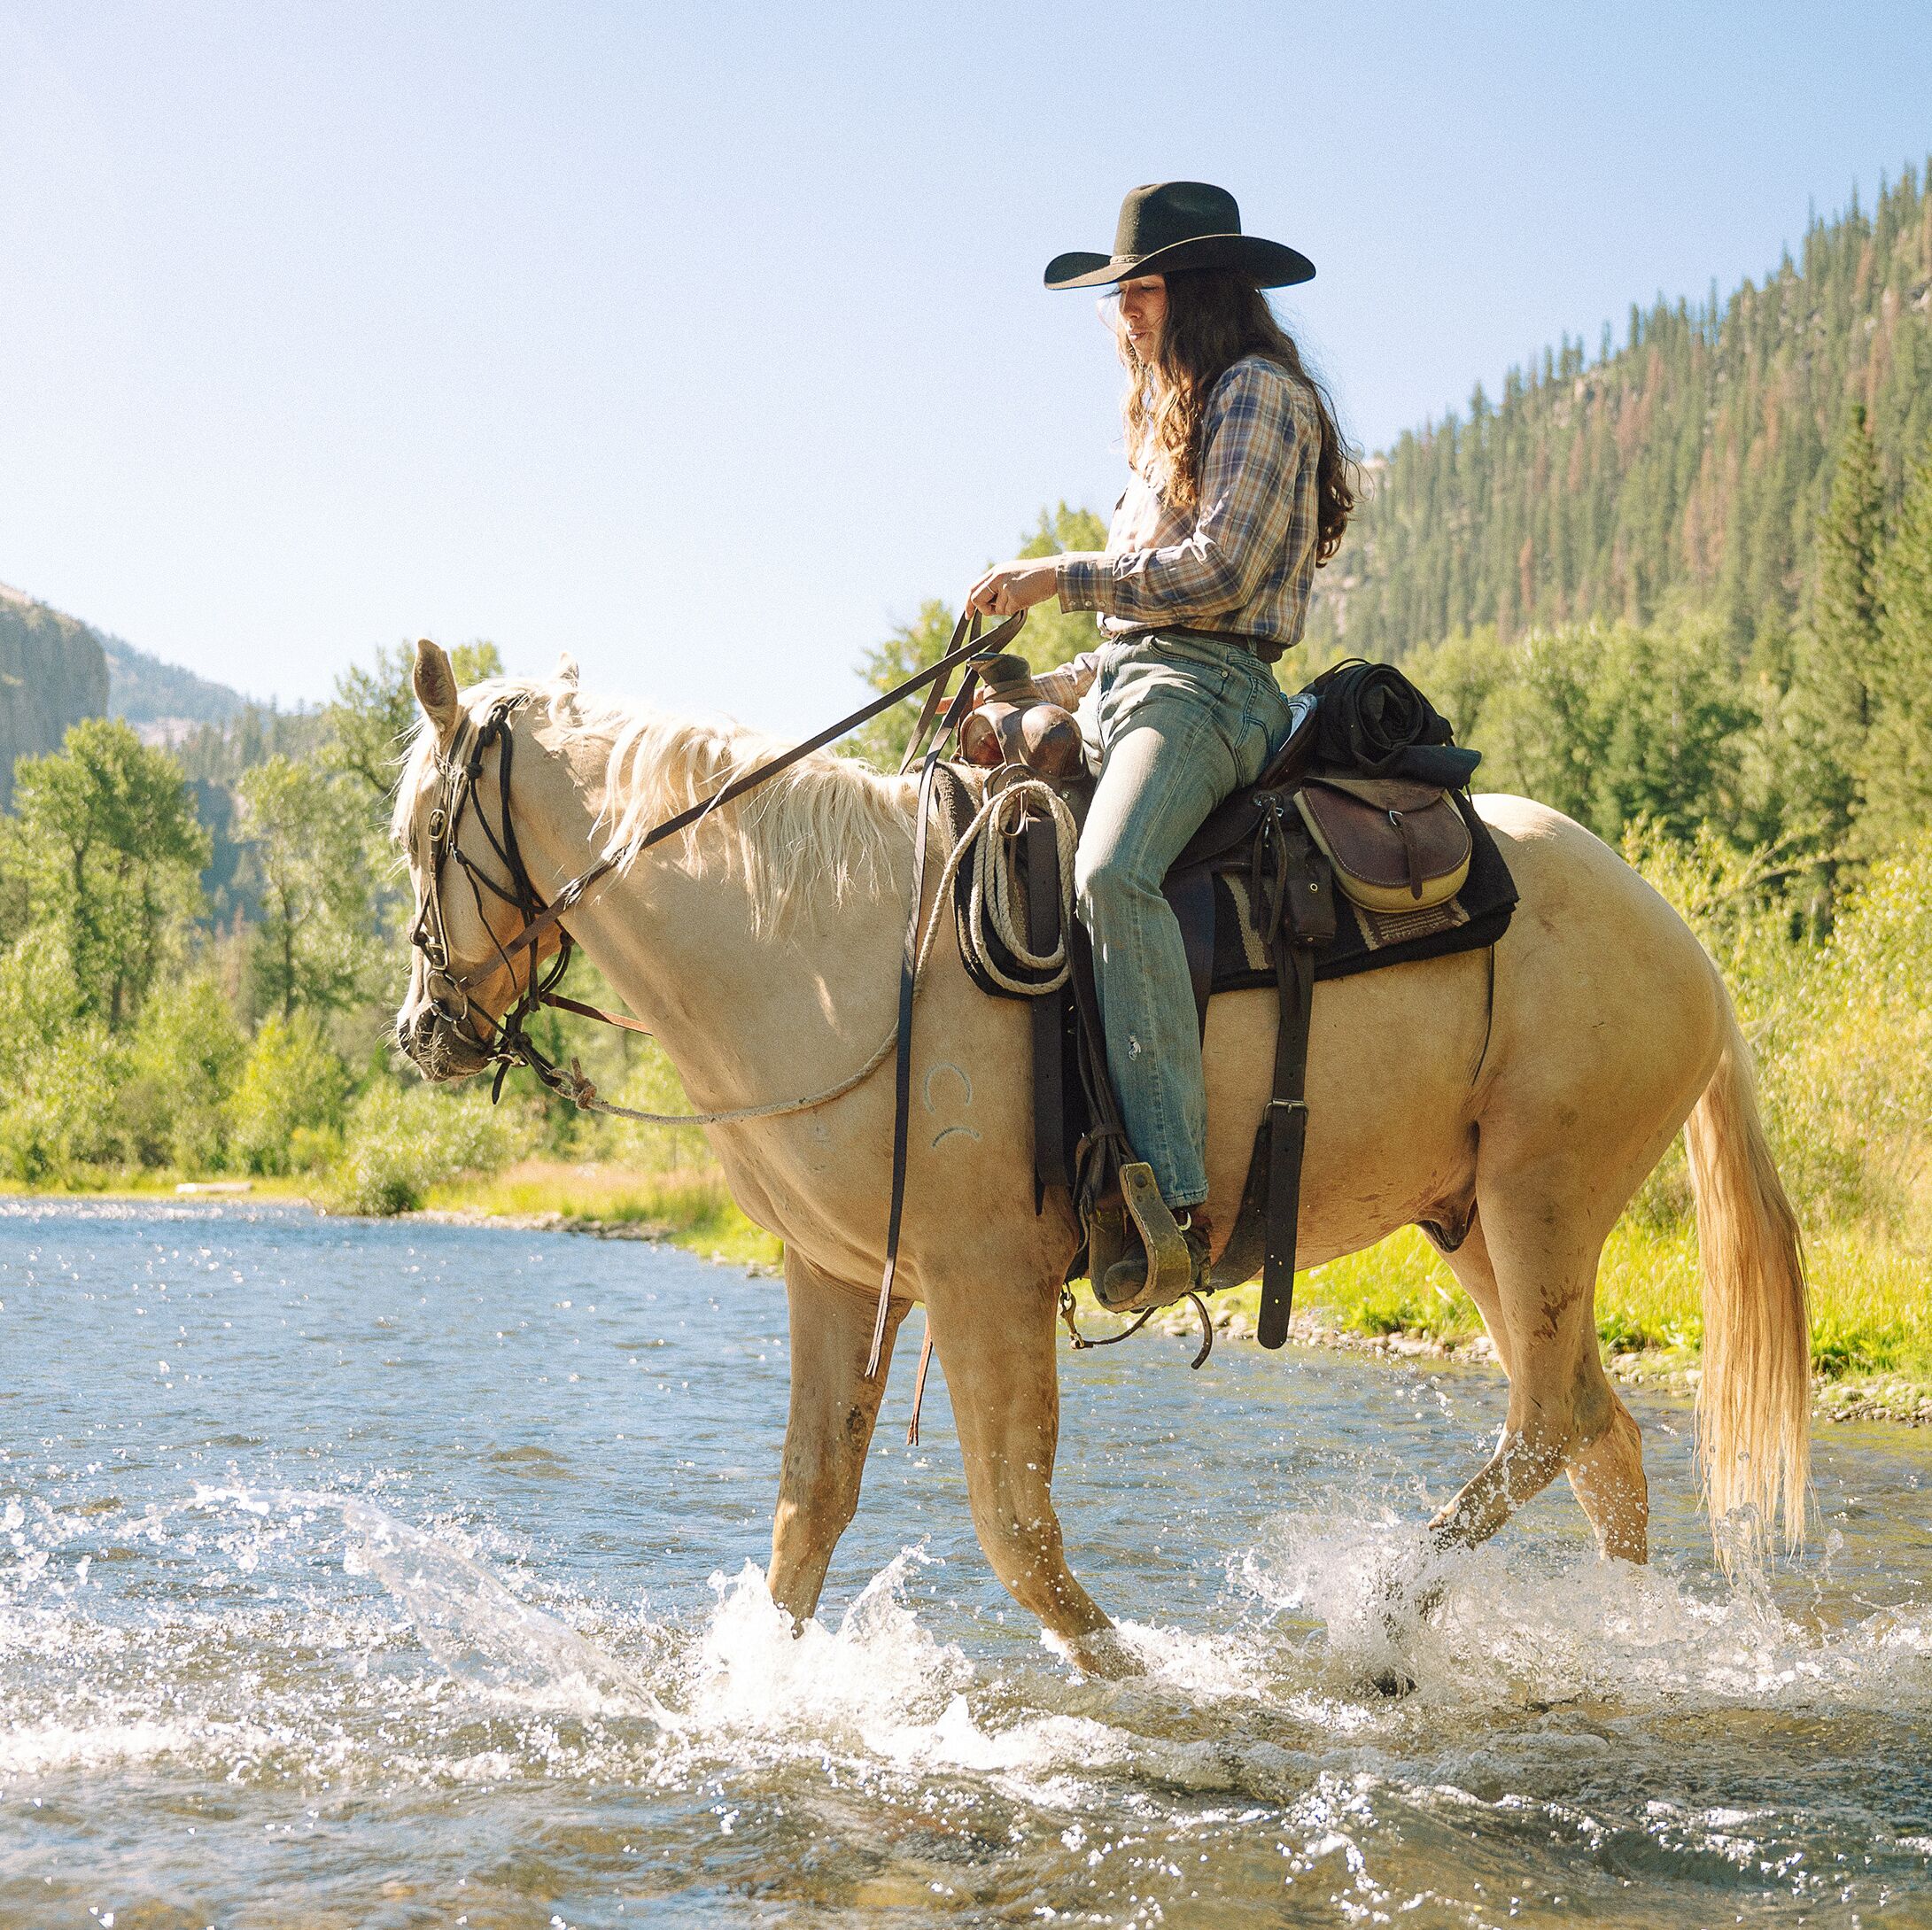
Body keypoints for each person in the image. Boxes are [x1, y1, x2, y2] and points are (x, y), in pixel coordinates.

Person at [966, 180, 1356, 1310]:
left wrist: (1054, 576)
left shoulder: (1259, 396)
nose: (1124, 314)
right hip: (1137, 686)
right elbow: (1138, 624)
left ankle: (1173, 1198)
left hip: (1212, 697)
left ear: (1197, 293)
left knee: (1111, 872)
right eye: (1118, 296)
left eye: (1139, 290)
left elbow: (1222, 578)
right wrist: (1036, 683)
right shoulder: (1169, 421)